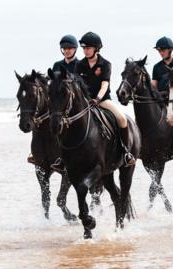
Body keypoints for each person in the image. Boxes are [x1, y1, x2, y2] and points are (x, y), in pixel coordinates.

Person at [51, 32, 136, 172]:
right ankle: (62, 158)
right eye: (83, 48)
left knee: (122, 119)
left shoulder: (105, 64)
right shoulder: (80, 64)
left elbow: (105, 84)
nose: (85, 50)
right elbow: (77, 84)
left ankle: (126, 152)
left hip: (102, 100)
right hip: (85, 102)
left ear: (96, 48)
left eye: (88, 48)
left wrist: (97, 98)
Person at [28, 35, 79, 167]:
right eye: (64, 48)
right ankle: (36, 152)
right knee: (42, 120)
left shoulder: (80, 65)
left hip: (74, 103)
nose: (66, 51)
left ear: (75, 49)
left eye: (69, 48)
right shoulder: (57, 65)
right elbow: (50, 82)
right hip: (58, 102)